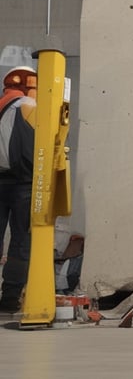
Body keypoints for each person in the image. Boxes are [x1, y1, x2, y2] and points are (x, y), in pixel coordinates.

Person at [0, 66, 37, 312]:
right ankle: (10, 298)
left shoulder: (2, 104)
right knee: (21, 239)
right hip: (24, 182)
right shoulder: (29, 106)